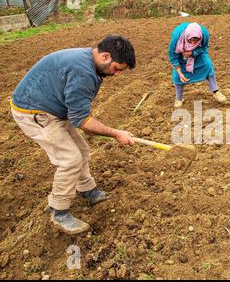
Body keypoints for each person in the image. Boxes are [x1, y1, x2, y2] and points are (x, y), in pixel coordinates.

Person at [10, 35, 137, 234]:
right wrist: (116, 133)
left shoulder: (88, 60)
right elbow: (82, 121)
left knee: (82, 150)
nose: (117, 74)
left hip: (52, 107)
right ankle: (58, 212)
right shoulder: (82, 72)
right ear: (105, 56)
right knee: (69, 159)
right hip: (34, 112)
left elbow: (78, 114)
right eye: (117, 69)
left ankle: (88, 191)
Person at [168, 22, 227, 108]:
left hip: (197, 52)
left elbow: (204, 48)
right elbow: (172, 55)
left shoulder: (204, 34)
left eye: (195, 41)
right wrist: (180, 73)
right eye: (190, 40)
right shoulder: (177, 36)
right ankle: (179, 98)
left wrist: (193, 52)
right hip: (181, 52)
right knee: (177, 76)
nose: (192, 43)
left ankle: (216, 92)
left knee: (207, 65)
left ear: (200, 37)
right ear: (186, 37)